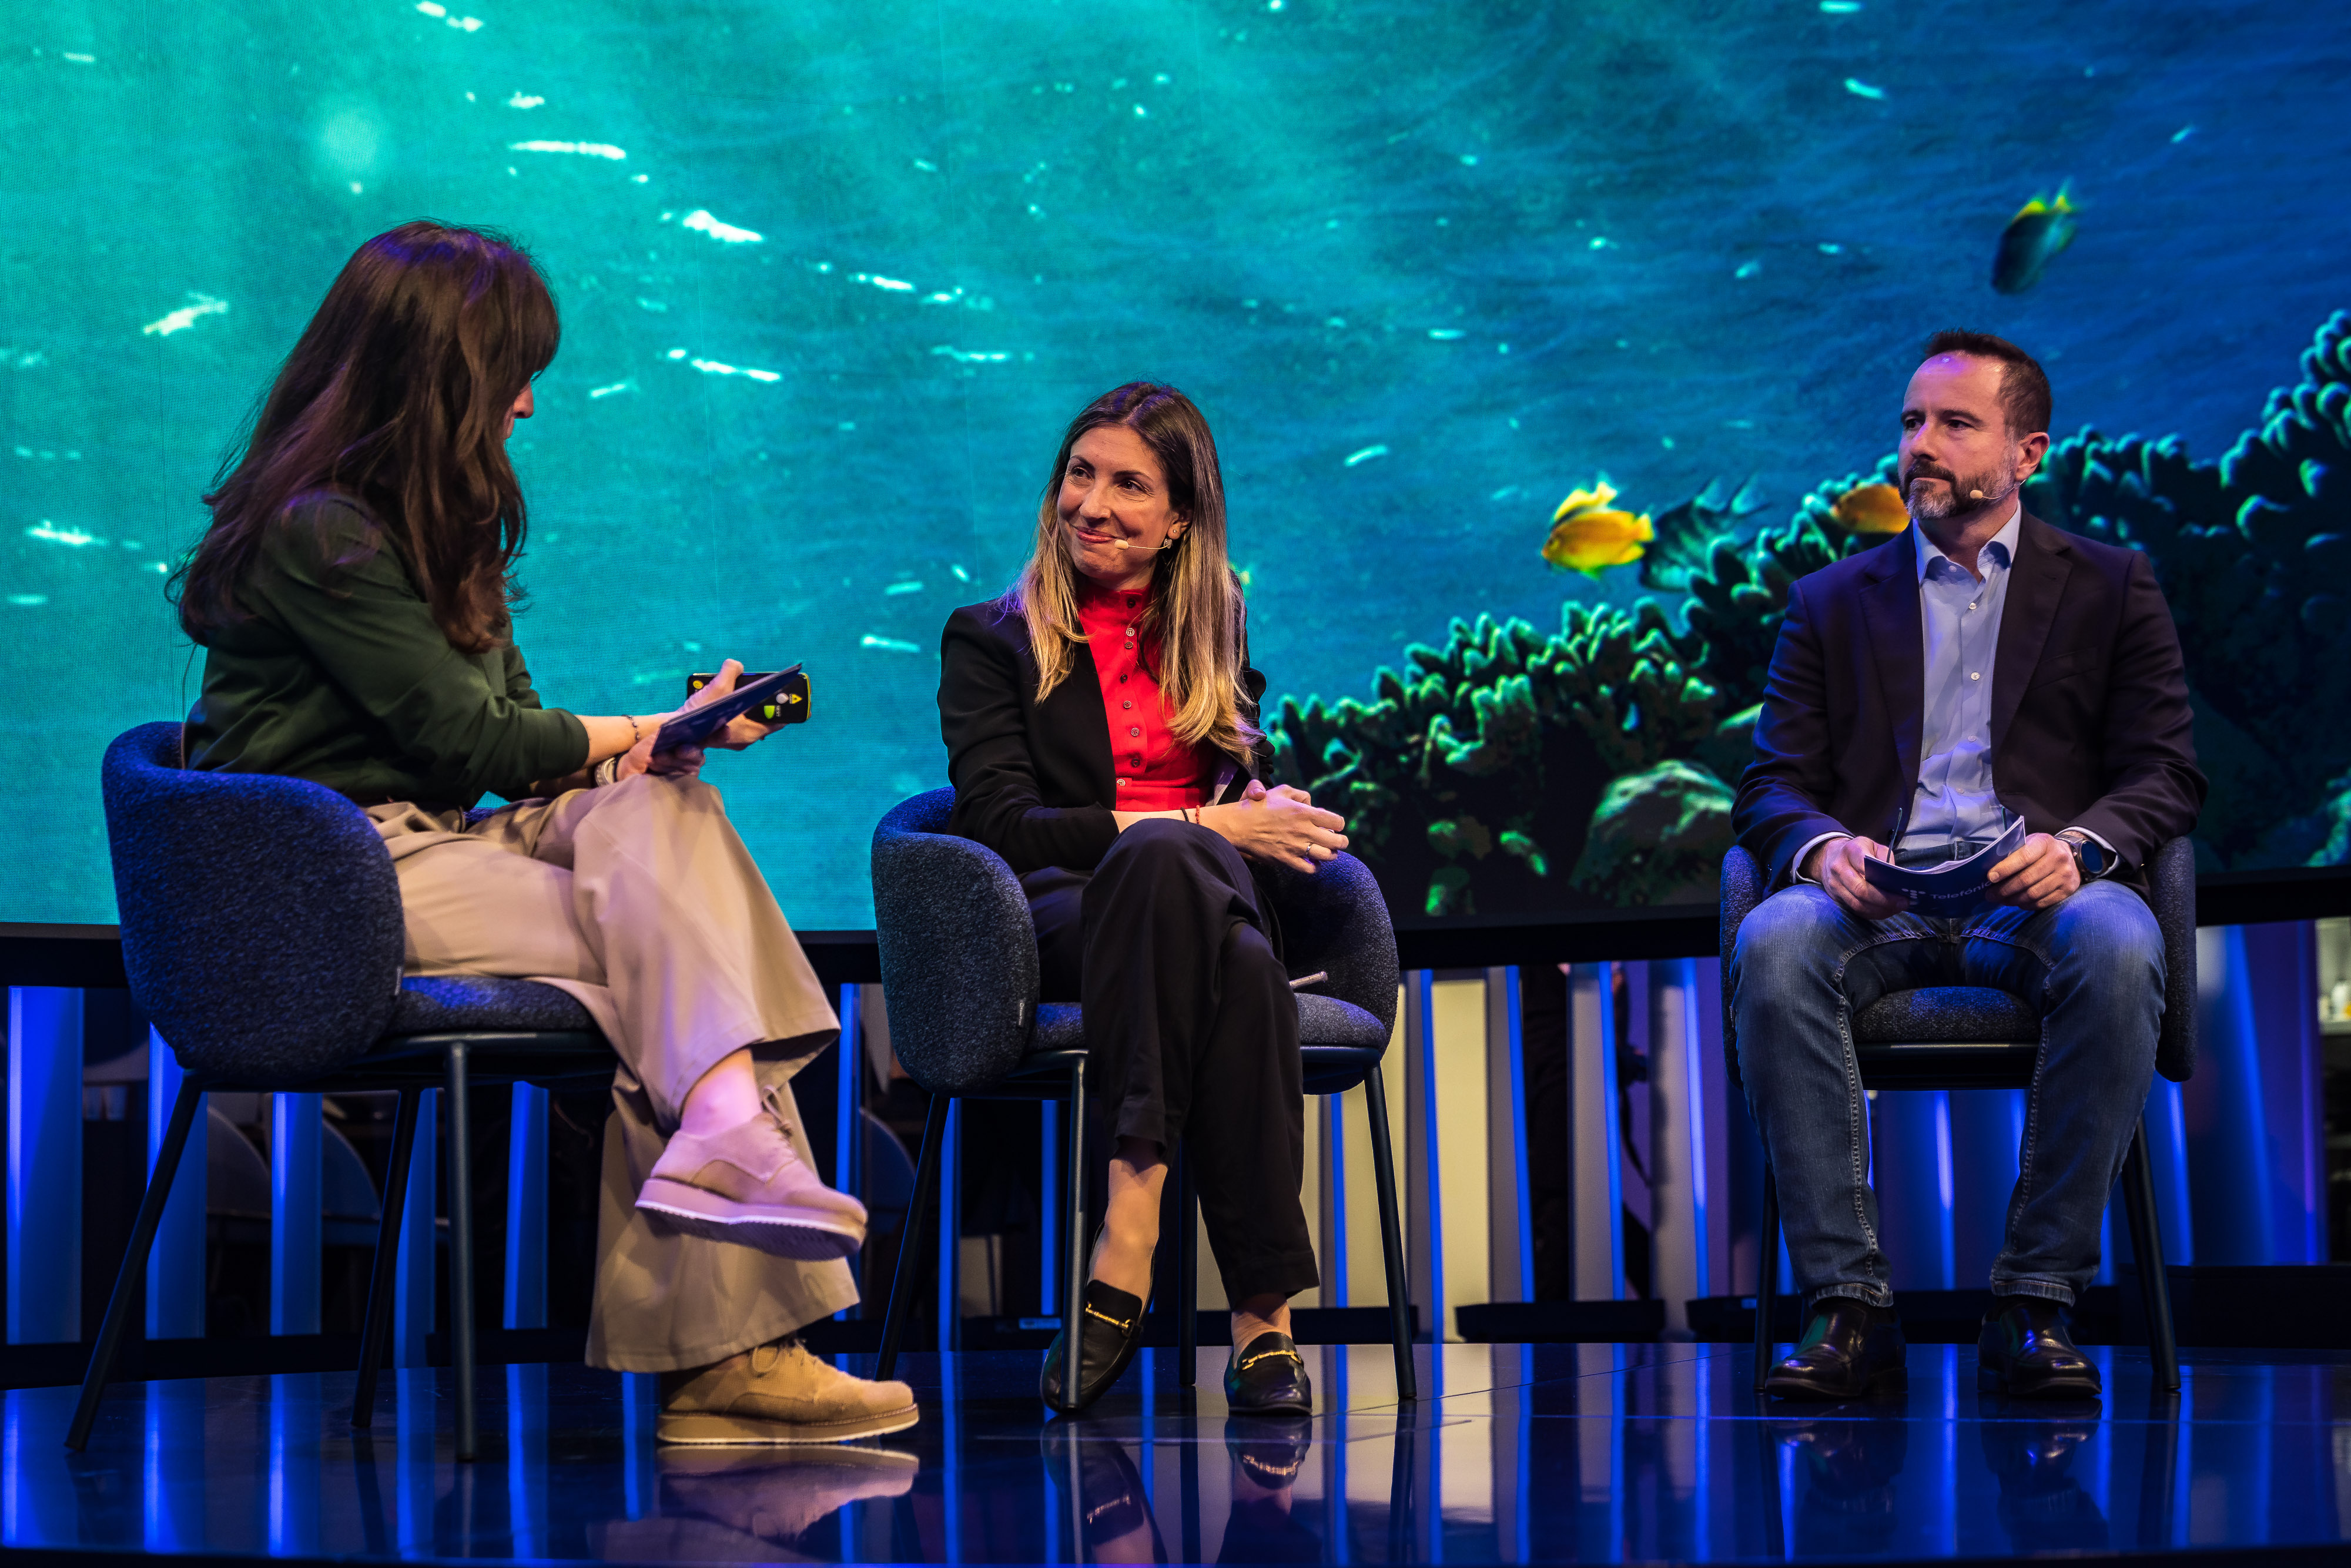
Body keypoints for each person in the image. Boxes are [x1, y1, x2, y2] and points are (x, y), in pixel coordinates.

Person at [173, 221, 915, 1444]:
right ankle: (734, 1334)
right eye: (510, 373)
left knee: (661, 806)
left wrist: (652, 742)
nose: (525, 402)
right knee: (660, 959)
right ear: (443, 377)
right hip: (332, 879)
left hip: (442, 848)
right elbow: (470, 739)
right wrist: (629, 720)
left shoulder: (441, 526)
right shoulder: (320, 531)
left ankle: (725, 1155)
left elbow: (513, 731)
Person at [1730, 330, 2205, 1401]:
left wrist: (2078, 849)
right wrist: (1822, 846)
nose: (1920, 446)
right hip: (1877, 903)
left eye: (1954, 424)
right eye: (1910, 423)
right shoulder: (1828, 600)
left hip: (2032, 895)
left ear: (2026, 451)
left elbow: (2167, 773)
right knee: (1775, 936)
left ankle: (2034, 1304)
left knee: (2122, 941)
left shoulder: (2113, 587)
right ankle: (1848, 1309)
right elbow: (1767, 785)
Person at [936, 383, 1349, 1415]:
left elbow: (1233, 792)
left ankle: (1132, 1231)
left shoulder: (1213, 627)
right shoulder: (989, 639)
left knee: (1207, 911)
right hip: (1061, 913)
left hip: (1198, 911)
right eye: (1081, 474)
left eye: (1129, 484)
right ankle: (1261, 1318)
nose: (1093, 503)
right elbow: (999, 826)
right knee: (1203, 914)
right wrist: (1202, 828)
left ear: (1180, 522)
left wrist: (1259, 806)